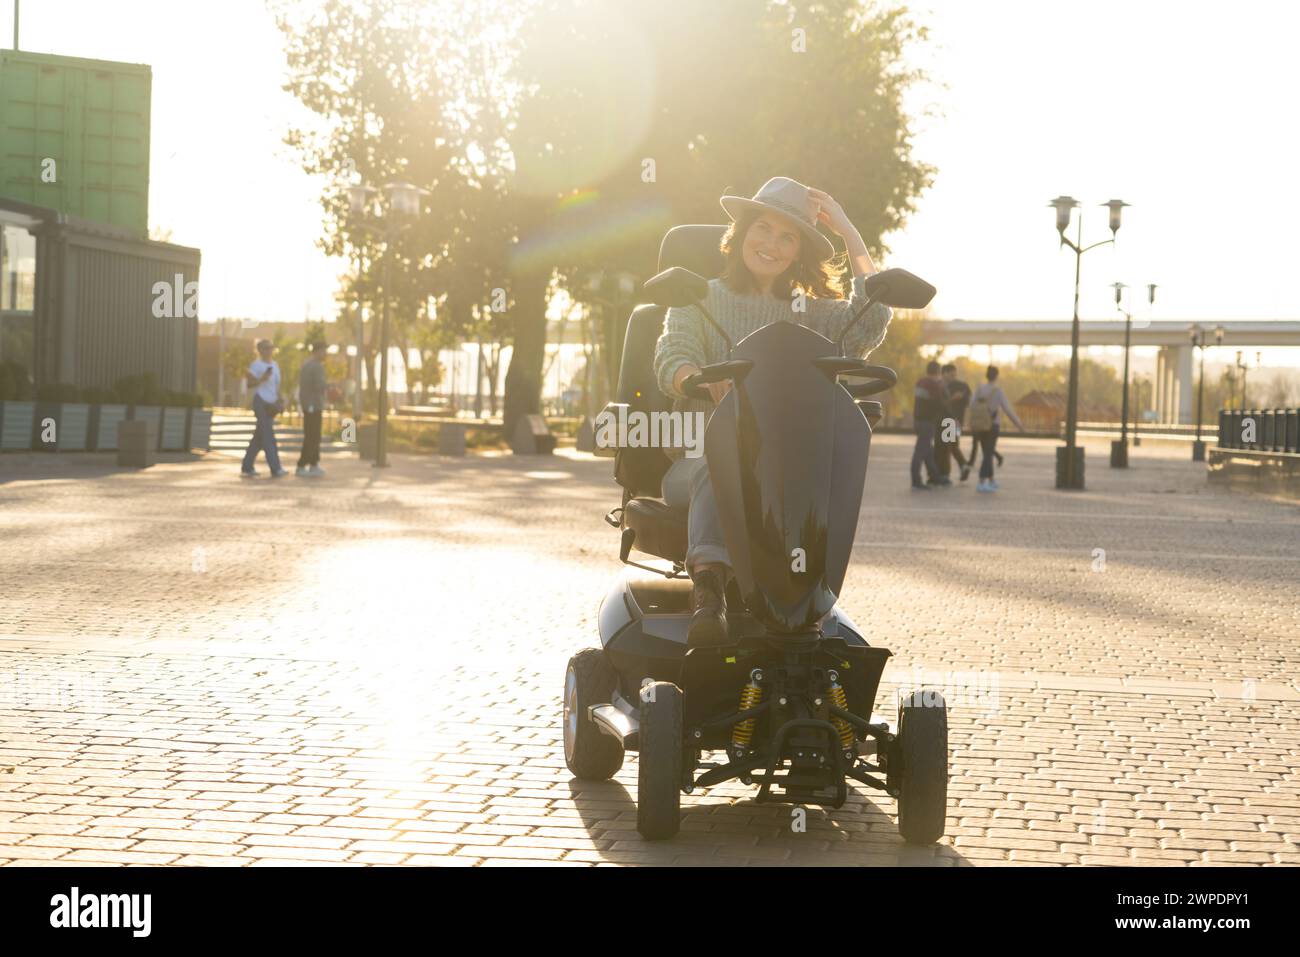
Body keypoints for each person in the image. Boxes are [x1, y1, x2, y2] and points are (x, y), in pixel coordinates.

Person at [654, 176, 892, 645]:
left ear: (799, 249)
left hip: (784, 468)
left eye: (788, 237)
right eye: (762, 228)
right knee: (719, 467)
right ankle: (709, 591)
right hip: (703, 453)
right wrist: (698, 377)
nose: (772, 244)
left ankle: (809, 599)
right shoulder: (698, 296)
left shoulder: (809, 310)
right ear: (741, 232)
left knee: (819, 481)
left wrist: (849, 232)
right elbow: (671, 356)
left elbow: (871, 322)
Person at [969, 365, 1023, 492]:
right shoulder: (998, 391)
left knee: (986, 452)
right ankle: (982, 481)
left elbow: (971, 404)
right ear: (996, 376)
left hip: (980, 425)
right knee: (988, 453)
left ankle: (991, 480)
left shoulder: (979, 389)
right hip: (993, 425)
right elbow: (1007, 409)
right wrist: (1018, 424)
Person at [241, 339, 287, 479]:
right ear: (260, 350)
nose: (269, 351)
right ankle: (276, 468)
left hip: (272, 403)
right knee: (268, 435)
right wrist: (262, 378)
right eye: (266, 348)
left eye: (271, 348)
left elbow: (277, 386)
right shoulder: (256, 365)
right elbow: (250, 384)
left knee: (259, 437)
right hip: (260, 401)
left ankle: (247, 466)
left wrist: (281, 400)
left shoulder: (275, 365)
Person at [911, 360, 946, 489]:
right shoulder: (934, 385)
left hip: (918, 420)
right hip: (928, 422)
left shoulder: (920, 382)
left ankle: (935, 477)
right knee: (920, 452)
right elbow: (939, 404)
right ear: (938, 371)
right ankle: (916, 481)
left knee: (928, 452)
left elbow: (918, 403)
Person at [936, 362, 973, 481]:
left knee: (947, 446)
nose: (953, 377)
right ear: (943, 374)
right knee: (951, 445)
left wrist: (957, 398)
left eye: (954, 375)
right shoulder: (940, 385)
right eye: (951, 375)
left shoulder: (959, 386)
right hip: (948, 420)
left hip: (951, 421)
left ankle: (945, 474)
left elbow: (968, 401)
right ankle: (963, 466)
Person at [297, 340, 328, 477]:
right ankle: (302, 464)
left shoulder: (306, 364)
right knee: (312, 436)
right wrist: (330, 387)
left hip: (309, 405)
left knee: (313, 435)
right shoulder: (316, 366)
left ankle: (314, 464)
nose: (325, 353)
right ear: (316, 351)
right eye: (323, 350)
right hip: (314, 405)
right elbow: (319, 386)